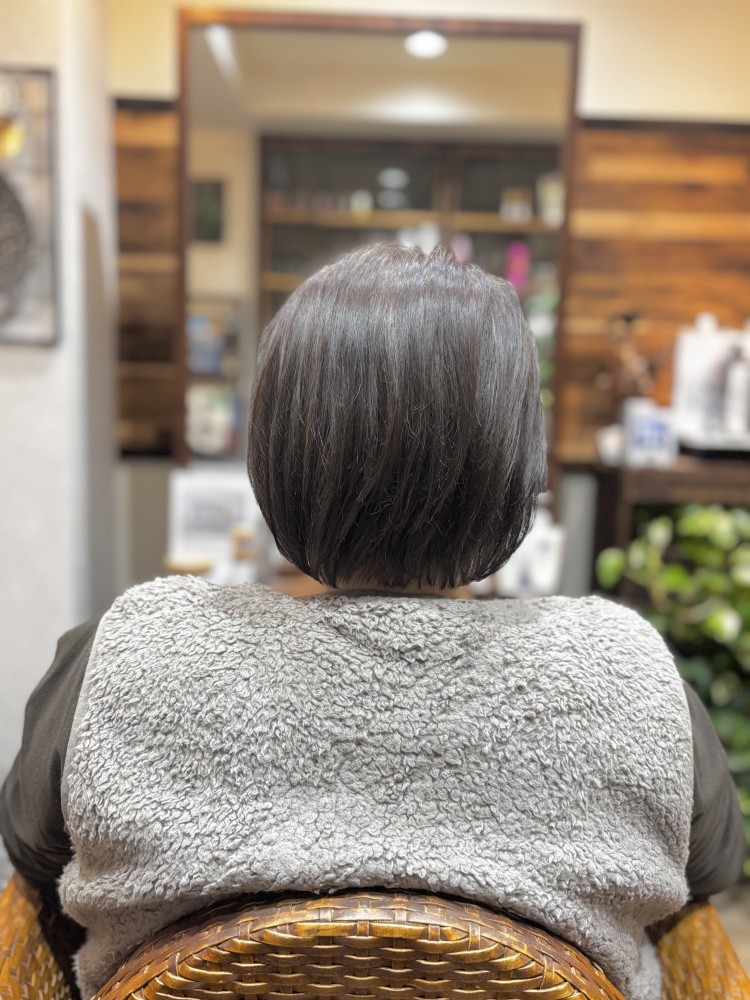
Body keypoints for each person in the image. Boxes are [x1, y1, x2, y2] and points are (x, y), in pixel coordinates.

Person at [0, 243, 745, 1000]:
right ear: (518, 459)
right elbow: (712, 865)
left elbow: (32, 846)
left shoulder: (133, 653)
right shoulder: (624, 676)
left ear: (277, 453)